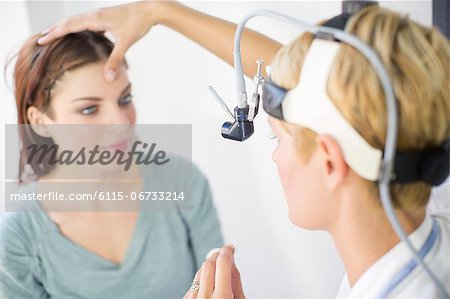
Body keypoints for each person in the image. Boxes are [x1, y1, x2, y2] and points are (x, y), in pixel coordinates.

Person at [34, 1, 450, 298]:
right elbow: (329, 87)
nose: (274, 157)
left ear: (328, 160)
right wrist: (160, 11)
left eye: (277, 138)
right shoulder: (428, 238)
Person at [0, 31, 223, 298]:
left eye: (125, 99)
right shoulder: (17, 236)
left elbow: (218, 290)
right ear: (40, 122)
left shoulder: (181, 181)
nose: (120, 121)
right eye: (89, 109)